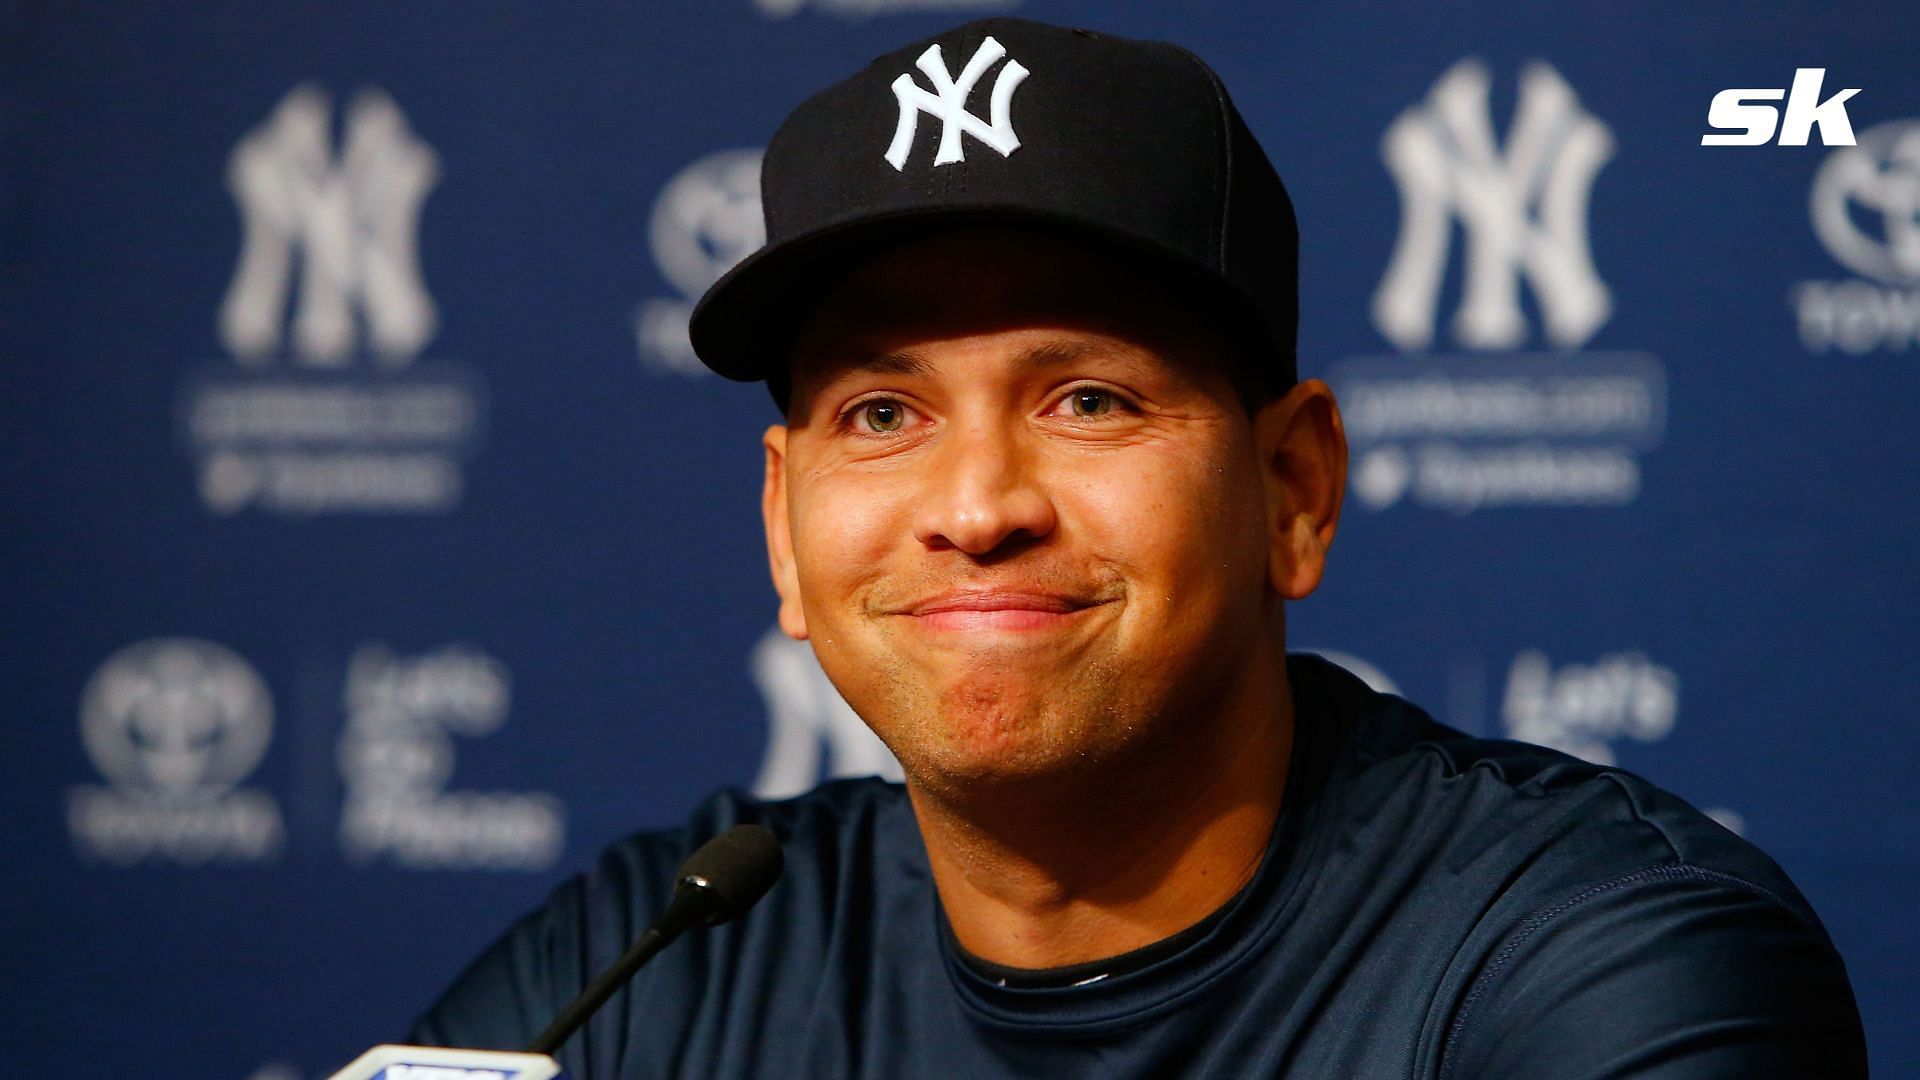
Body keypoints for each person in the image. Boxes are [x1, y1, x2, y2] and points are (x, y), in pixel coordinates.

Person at [413, 18, 1866, 1076]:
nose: (977, 506)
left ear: (1293, 488)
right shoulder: (658, 965)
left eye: (1088, 399)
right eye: (881, 411)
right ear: (784, 530)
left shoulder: (1597, 961)